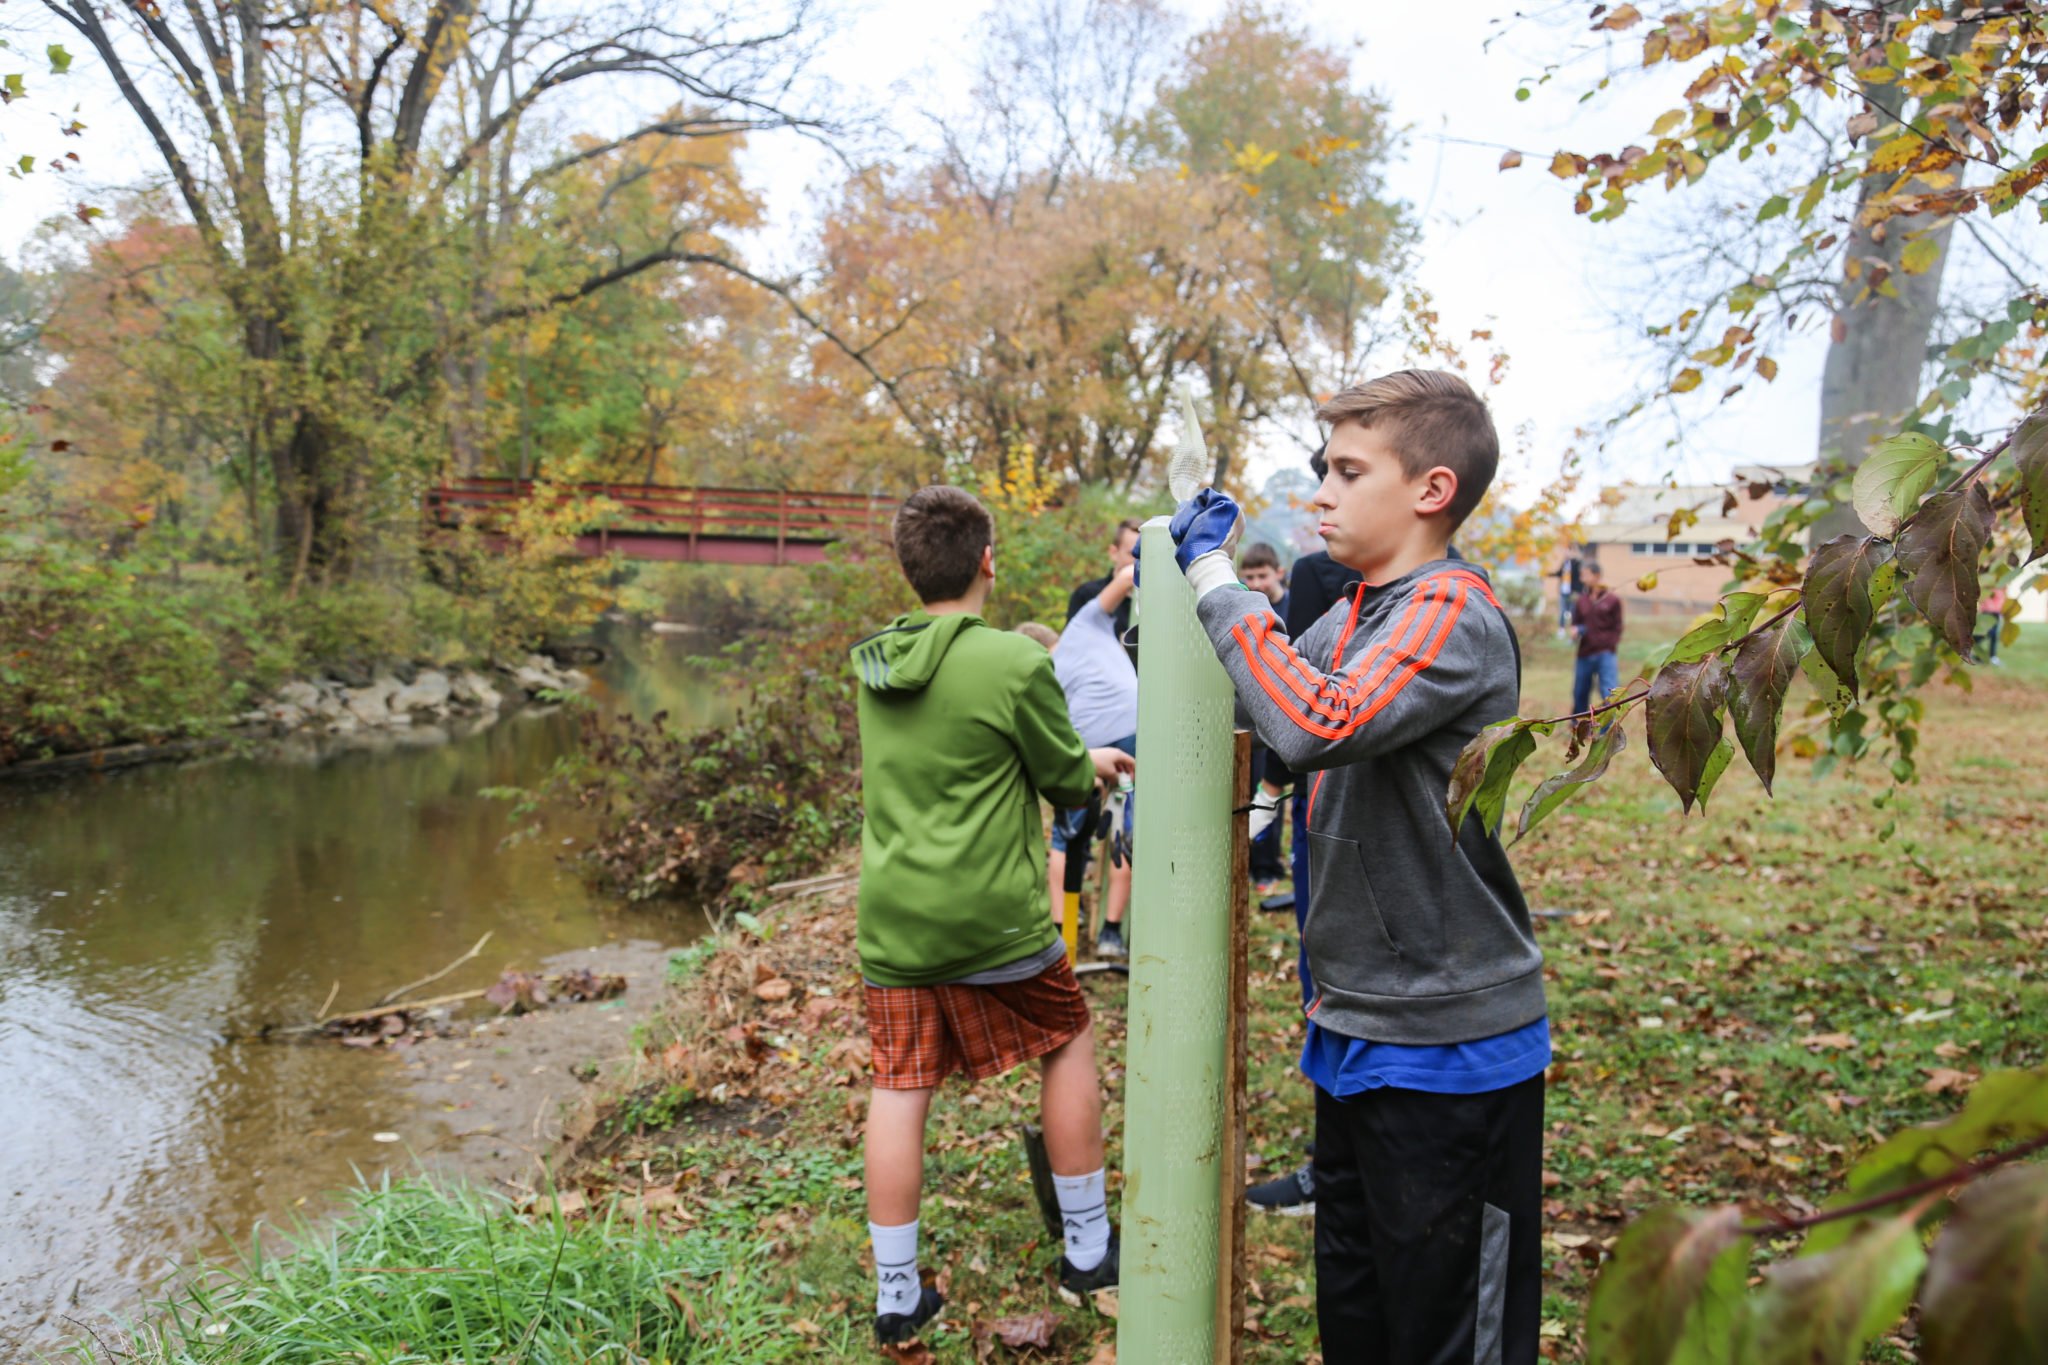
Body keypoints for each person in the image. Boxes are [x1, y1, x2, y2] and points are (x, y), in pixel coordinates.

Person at [1170, 370, 1547, 1362]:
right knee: (1361, 1317)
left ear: (1428, 490)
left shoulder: (1447, 611)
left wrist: (1215, 582)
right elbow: (1264, 694)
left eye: (1344, 471)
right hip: (1358, 1026)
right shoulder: (1351, 616)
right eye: (1317, 470)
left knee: (1443, 1336)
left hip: (1447, 1046)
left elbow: (1309, 721)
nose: (1318, 494)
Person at [850, 486, 1134, 1345]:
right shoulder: (1014, 661)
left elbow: (955, 751)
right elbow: (1062, 777)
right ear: (986, 560)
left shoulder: (874, 665)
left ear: (908, 569)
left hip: (896, 918)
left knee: (900, 1083)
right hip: (994, 917)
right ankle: (1087, 1248)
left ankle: (898, 1296)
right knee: (1067, 1039)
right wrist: (1095, 767)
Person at [1048, 563, 1138, 958]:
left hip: (1083, 745)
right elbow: (1124, 577)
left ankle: (1061, 930)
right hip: (1124, 735)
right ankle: (1111, 934)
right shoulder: (1084, 624)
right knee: (1121, 826)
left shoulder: (1045, 669)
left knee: (1068, 834)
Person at [1238, 543, 1291, 892]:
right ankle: (1248, 860)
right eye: (1250, 577)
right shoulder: (1245, 608)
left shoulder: (1292, 605)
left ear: (1278, 573)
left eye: (1262, 575)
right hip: (1252, 711)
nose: (1256, 583)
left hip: (1285, 710)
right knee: (1251, 789)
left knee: (1274, 787)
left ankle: (1268, 867)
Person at [1067, 518, 1142, 666]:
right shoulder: (1087, 595)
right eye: (1133, 554)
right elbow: (1072, 648)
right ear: (1114, 552)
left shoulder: (1158, 603)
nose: (1138, 562)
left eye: (1144, 555)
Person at [1569, 562, 1622, 714]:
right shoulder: (1581, 600)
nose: (1581, 578)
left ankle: (1607, 729)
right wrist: (1574, 631)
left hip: (1605, 653)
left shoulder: (1612, 600)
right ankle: (1578, 725)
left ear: (1597, 576)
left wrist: (1610, 644)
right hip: (1585, 653)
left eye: (1585, 574)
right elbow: (1575, 623)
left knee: (1608, 692)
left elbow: (1617, 626)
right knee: (1580, 691)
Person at [1550, 542, 1583, 638]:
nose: (1565, 552)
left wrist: (1578, 591)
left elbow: (1580, 576)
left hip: (1574, 592)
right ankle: (1561, 629)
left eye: (1568, 550)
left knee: (1573, 611)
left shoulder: (1577, 563)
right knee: (1562, 610)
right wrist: (1547, 574)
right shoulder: (1565, 563)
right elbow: (1559, 573)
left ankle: (1574, 631)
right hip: (1563, 591)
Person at [1978, 584, 2008, 665]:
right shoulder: (1991, 588)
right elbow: (1985, 601)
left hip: (1996, 614)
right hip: (1988, 613)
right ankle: (1974, 649)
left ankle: (1992, 656)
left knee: (1994, 636)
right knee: (1987, 633)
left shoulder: (2002, 589)